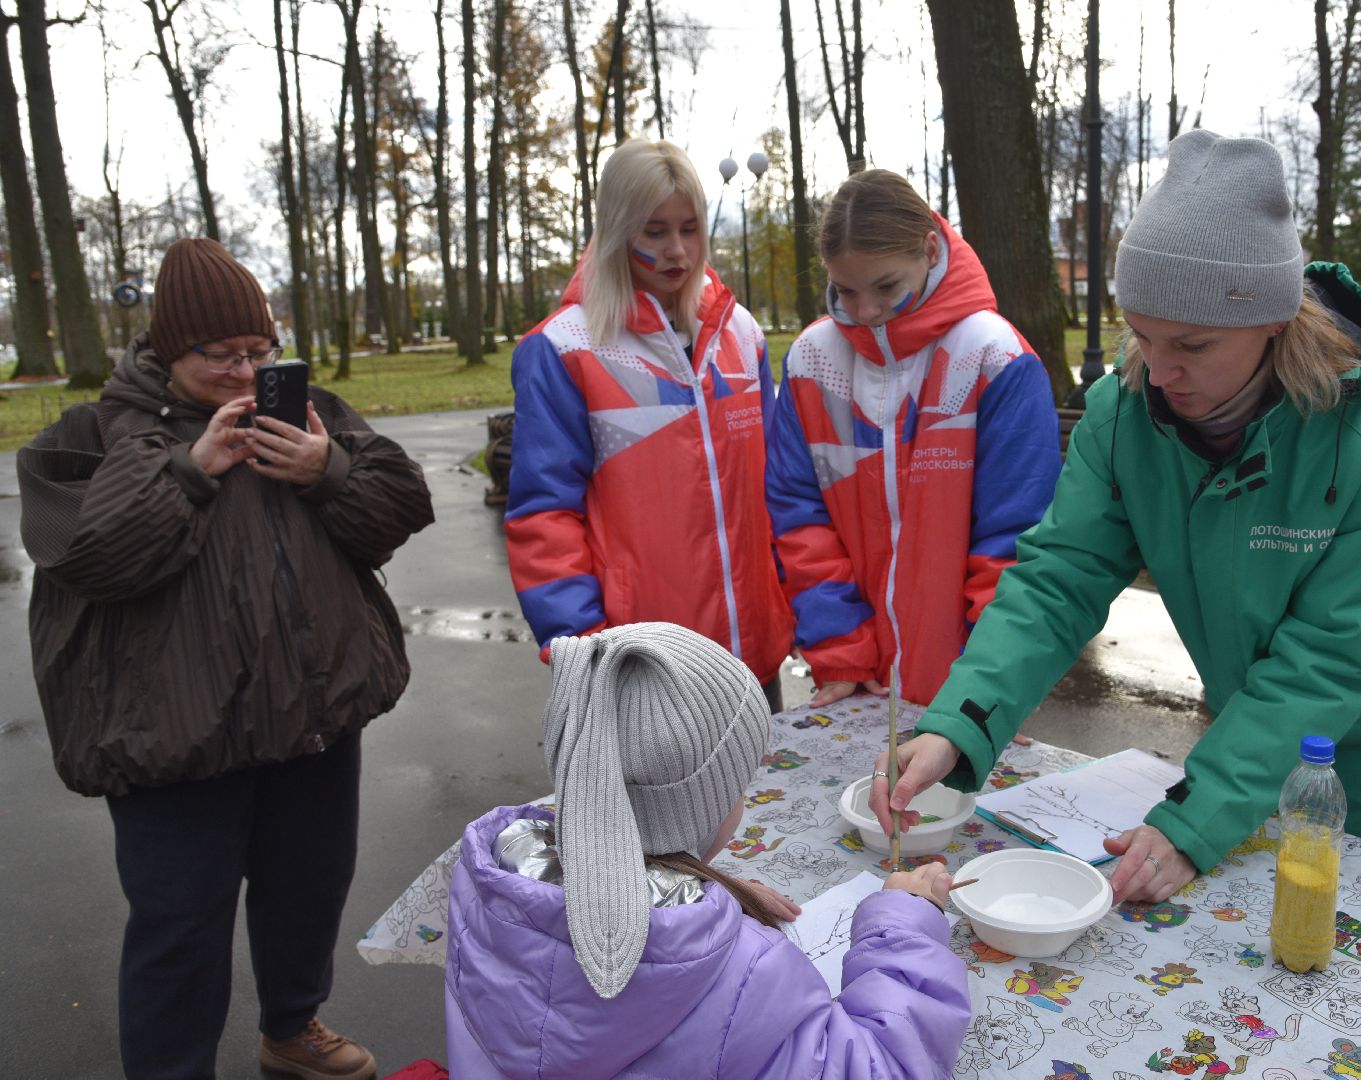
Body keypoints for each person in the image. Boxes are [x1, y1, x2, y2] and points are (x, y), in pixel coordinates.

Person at [870, 130, 1361, 904]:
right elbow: (1061, 576)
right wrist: (959, 721)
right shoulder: (1125, 412)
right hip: (1256, 736)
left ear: (1272, 322)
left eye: (1191, 343)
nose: (1159, 372)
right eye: (1142, 333)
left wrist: (1199, 819)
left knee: (1336, 947)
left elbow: (1335, 654)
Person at [18, 238, 434, 1079]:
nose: (246, 372)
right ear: (173, 350)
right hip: (174, 737)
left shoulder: (306, 412)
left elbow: (400, 505)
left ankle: (292, 1030)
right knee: (179, 926)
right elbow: (92, 556)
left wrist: (328, 469)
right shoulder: (95, 434)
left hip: (313, 717)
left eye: (259, 351)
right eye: (222, 355)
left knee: (307, 892)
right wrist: (189, 470)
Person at [445, 622, 972, 1078]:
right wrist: (905, 928)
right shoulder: (740, 974)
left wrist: (710, 890)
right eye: (737, 786)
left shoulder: (489, 878)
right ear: (700, 807)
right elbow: (885, 1067)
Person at [504, 139, 792, 710]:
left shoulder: (741, 336)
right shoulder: (565, 348)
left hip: (753, 659)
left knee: (768, 801)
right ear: (618, 230)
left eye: (690, 228)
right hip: (645, 670)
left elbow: (781, 493)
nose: (678, 250)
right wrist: (587, 653)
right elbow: (544, 518)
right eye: (655, 231)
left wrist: (799, 609)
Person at [766, 168, 1061, 711]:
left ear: (929, 250)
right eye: (845, 290)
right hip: (852, 683)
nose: (865, 312)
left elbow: (1017, 541)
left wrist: (988, 687)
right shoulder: (812, 363)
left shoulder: (992, 357)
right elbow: (800, 522)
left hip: (967, 689)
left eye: (886, 287)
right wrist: (841, 652)